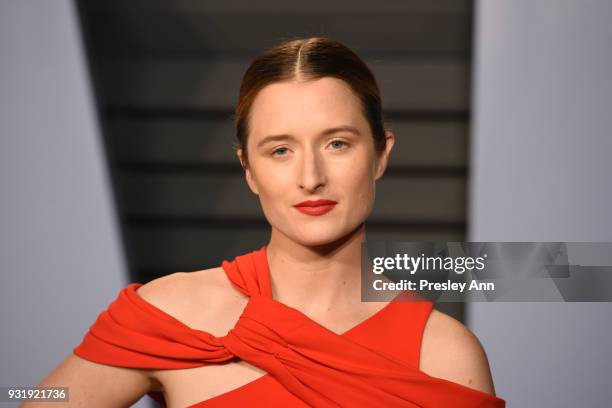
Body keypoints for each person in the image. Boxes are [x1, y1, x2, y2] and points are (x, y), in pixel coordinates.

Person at [24, 37, 504, 407]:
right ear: (249, 170)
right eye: (280, 150)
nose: (310, 177)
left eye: (337, 143)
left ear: (381, 154)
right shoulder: (172, 313)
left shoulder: (443, 355)